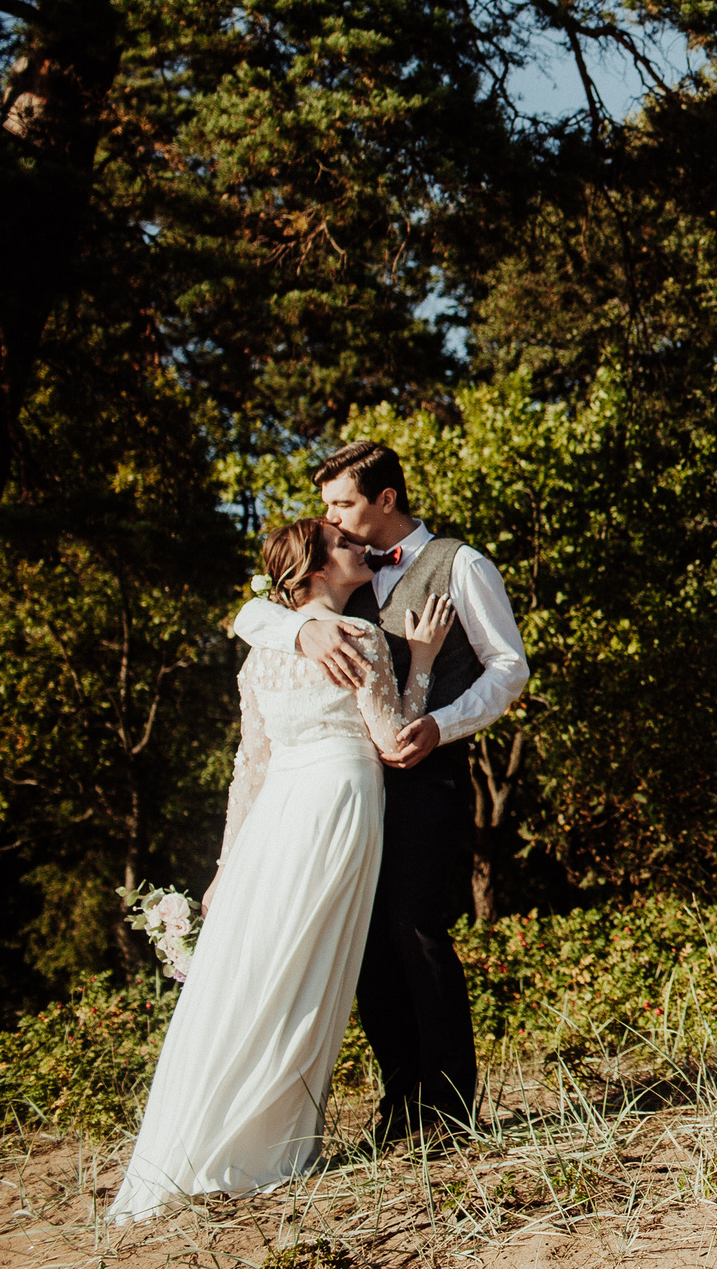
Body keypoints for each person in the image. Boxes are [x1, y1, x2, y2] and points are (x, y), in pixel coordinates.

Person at [109, 520, 455, 1223]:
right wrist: (421, 658)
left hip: (275, 821)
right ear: (317, 568)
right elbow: (394, 742)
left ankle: (213, 1139)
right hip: (337, 807)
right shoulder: (361, 638)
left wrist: (225, 866)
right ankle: (270, 1143)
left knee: (259, 970)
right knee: (308, 971)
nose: (359, 545)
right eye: (344, 543)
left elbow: (250, 769)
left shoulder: (259, 655)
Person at [230, 440, 529, 1138]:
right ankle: (401, 1101)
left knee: (413, 924)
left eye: (342, 503)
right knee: (362, 935)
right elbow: (252, 613)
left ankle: (449, 1107)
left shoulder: (461, 564)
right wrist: (303, 630)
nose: (330, 516)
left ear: (385, 499)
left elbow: (508, 667)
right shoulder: (344, 570)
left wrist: (442, 725)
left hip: (430, 774)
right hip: (353, 787)